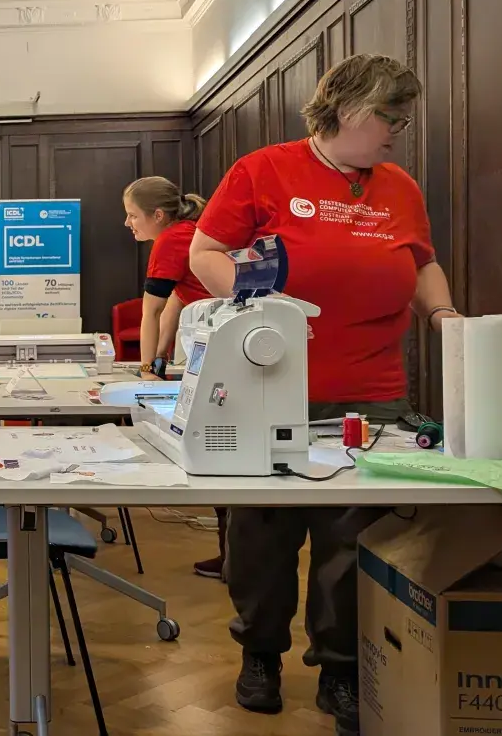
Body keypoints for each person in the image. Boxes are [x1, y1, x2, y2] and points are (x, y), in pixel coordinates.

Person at [188, 54, 460, 736]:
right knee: (262, 537)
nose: (398, 131)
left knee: (353, 540)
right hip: (269, 392)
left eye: (403, 117)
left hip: (372, 397)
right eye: (389, 117)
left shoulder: (400, 186)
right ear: (347, 112)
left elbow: (421, 260)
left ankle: (340, 667)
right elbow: (205, 251)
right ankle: (260, 655)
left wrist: (446, 317)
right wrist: (263, 308)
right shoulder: (265, 170)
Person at [121, 176, 226, 581]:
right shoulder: (190, 233)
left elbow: (150, 312)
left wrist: (147, 371)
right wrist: (159, 361)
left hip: (216, 348)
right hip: (213, 341)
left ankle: (234, 555)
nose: (128, 224)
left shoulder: (171, 240)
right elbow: (173, 310)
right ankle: (231, 552)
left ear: (157, 215)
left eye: (133, 216)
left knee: (217, 450)